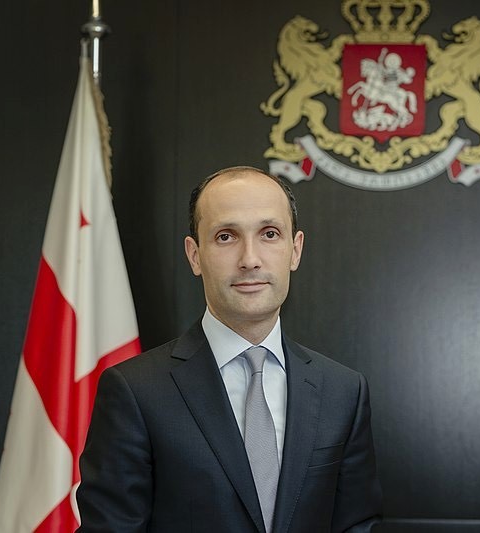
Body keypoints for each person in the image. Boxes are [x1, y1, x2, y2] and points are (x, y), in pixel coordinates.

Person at [76, 166, 382, 532]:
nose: (250, 259)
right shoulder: (135, 391)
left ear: (295, 250)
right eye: (226, 236)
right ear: (195, 255)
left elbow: (356, 526)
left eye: (269, 234)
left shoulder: (344, 392)